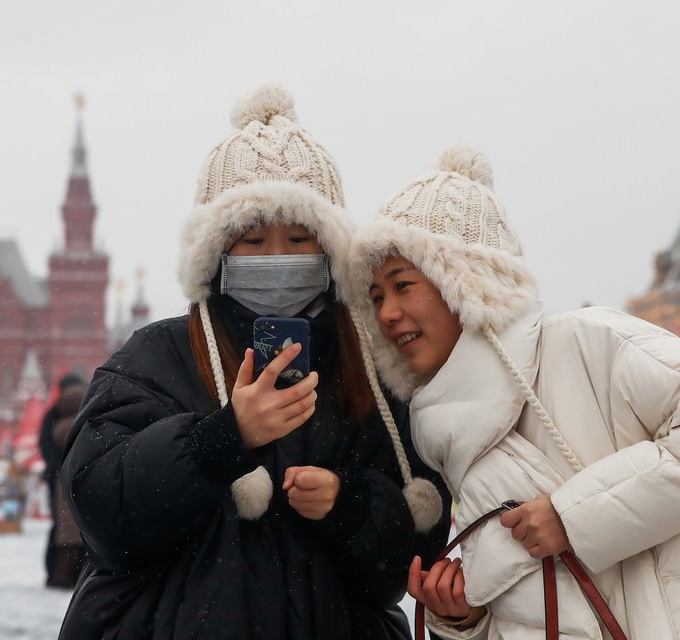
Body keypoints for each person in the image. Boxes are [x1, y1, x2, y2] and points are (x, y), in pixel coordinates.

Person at [57, 85, 451, 640]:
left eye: (298, 238)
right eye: (253, 240)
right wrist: (218, 440)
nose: (278, 258)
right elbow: (100, 512)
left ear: (331, 252)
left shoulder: (370, 373)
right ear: (217, 253)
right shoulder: (158, 356)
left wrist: (350, 503)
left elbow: (411, 559)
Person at [346, 145, 680, 638]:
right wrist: (465, 617)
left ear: (467, 282)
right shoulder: (440, 430)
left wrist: (574, 517)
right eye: (376, 296)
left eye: (402, 285)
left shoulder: (585, 343)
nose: (386, 313)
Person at [39, 372, 87, 585]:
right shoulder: (88, 413)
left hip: (58, 478)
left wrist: (57, 465)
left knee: (59, 527)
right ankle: (81, 573)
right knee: (84, 525)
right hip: (84, 476)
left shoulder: (53, 416)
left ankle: (55, 571)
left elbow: (45, 446)